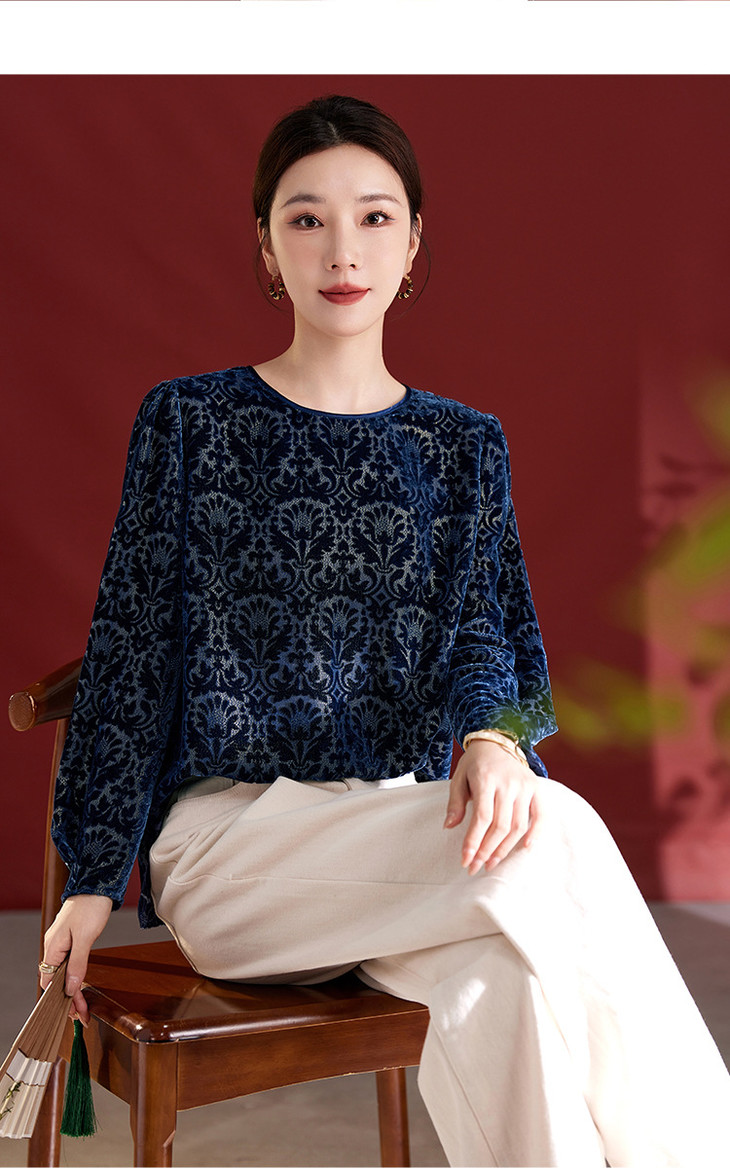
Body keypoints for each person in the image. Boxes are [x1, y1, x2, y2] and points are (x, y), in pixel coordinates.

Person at [41, 94, 730, 1168]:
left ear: (413, 244)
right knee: (557, 834)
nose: (341, 249)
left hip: (399, 829)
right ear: (265, 245)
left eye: (373, 216)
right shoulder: (190, 422)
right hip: (234, 849)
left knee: (499, 989)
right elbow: (132, 652)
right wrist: (91, 875)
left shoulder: (462, 445)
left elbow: (486, 633)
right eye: (306, 218)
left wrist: (492, 737)